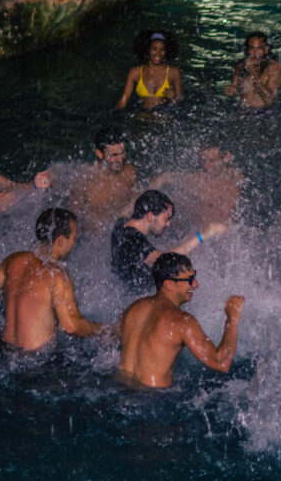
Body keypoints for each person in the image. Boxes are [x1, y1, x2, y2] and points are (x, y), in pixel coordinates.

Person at [0, 208, 104, 350]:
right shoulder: (56, 274)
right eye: (73, 238)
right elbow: (71, 326)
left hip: (4, 349)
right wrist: (104, 330)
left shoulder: (13, 259)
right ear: (60, 241)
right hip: (35, 360)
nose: (74, 243)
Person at [117, 253, 243, 388]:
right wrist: (232, 318)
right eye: (190, 279)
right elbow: (221, 362)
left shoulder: (133, 308)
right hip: (153, 398)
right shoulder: (182, 321)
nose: (195, 285)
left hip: (121, 388)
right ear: (169, 285)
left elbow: (110, 335)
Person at [111, 190, 226, 292]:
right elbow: (165, 261)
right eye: (166, 218)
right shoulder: (135, 241)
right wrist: (204, 234)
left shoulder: (121, 225)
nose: (168, 224)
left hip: (121, 291)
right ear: (150, 216)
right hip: (137, 298)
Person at [149, 144, 244, 227]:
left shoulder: (237, 177)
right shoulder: (195, 180)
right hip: (201, 238)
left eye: (211, 161)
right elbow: (166, 178)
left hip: (230, 238)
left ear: (226, 157)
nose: (206, 166)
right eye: (203, 161)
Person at [67, 126, 138, 227]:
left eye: (122, 153)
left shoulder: (129, 172)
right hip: (92, 238)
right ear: (99, 154)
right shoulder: (85, 180)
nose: (120, 159)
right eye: (114, 155)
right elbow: (71, 221)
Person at [114, 30, 183, 110]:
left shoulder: (174, 72)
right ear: (147, 50)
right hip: (142, 116)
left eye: (162, 50)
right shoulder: (135, 72)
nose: (158, 53)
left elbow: (180, 101)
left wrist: (173, 97)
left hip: (163, 116)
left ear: (166, 51)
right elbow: (122, 102)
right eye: (154, 49)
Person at [224, 31, 281, 109]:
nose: (256, 54)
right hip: (244, 112)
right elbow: (236, 91)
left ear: (266, 49)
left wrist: (253, 73)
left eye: (259, 48)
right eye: (252, 48)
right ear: (247, 50)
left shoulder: (274, 67)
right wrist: (231, 91)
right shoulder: (240, 65)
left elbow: (269, 100)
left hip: (265, 113)